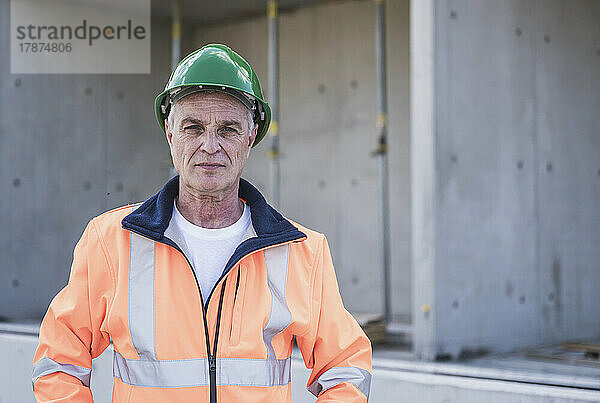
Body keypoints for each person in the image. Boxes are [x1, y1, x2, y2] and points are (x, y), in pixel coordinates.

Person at [32, 44, 372, 402]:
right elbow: (58, 364)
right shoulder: (110, 242)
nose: (210, 146)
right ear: (170, 133)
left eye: (227, 129)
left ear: (251, 136)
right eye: (193, 128)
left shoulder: (303, 252)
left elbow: (345, 369)